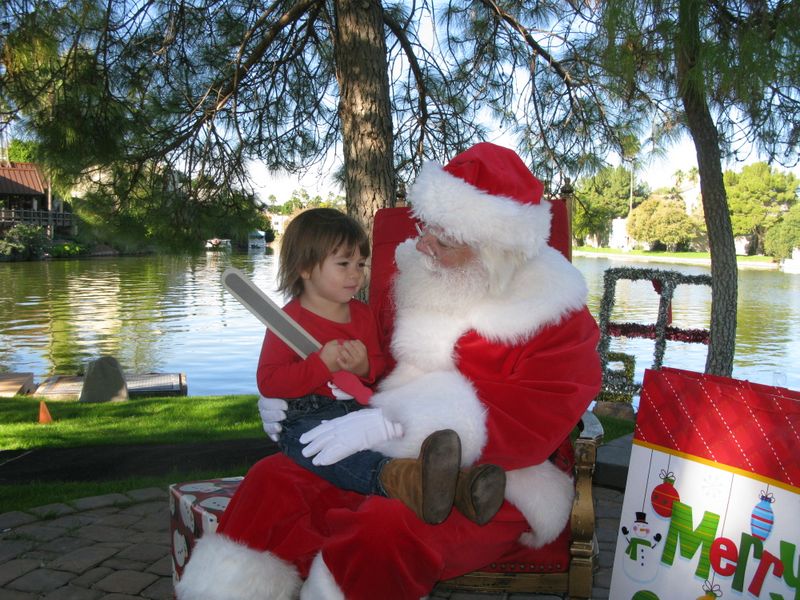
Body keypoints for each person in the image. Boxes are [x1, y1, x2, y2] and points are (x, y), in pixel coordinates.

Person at [176, 142, 602, 600]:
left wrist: (395, 421)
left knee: (385, 527)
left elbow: (529, 426)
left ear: (493, 252)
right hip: (379, 456)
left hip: (497, 481)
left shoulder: (556, 317)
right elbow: (370, 371)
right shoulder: (417, 278)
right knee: (271, 481)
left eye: (444, 239)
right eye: (425, 228)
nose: (423, 245)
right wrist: (298, 396)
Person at [255, 207, 505, 526]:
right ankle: (404, 482)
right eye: (343, 264)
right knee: (324, 453)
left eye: (360, 264)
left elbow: (377, 367)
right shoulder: (288, 320)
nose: (355, 274)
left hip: (356, 407)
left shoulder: (361, 314)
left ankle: (461, 486)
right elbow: (270, 381)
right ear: (304, 267)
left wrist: (362, 368)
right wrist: (319, 365)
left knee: (387, 440)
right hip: (305, 416)